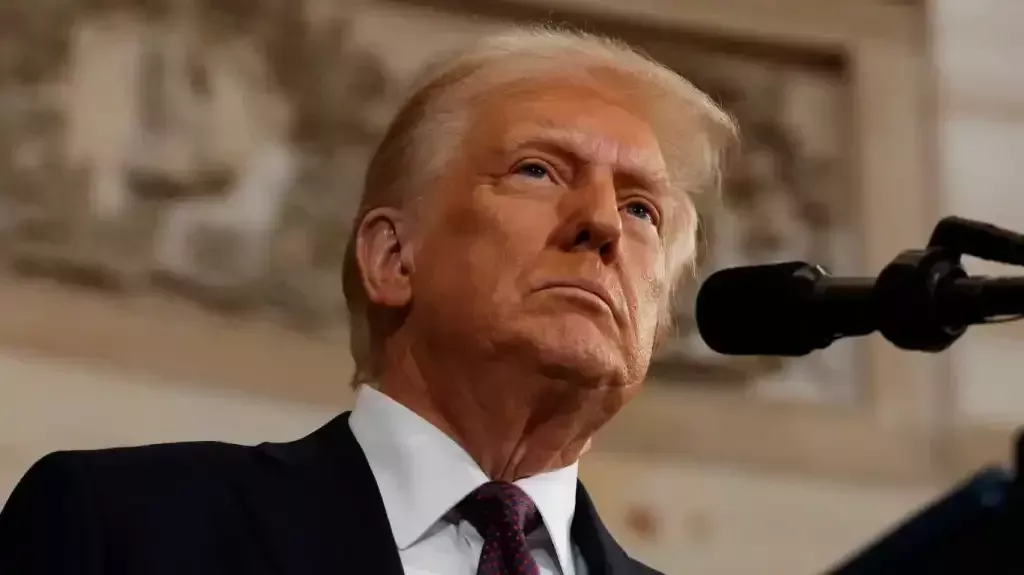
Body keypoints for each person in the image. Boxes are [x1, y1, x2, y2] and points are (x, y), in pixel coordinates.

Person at [0, 26, 735, 575]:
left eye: (642, 209)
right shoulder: (127, 530)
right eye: (538, 170)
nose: (602, 222)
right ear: (391, 258)